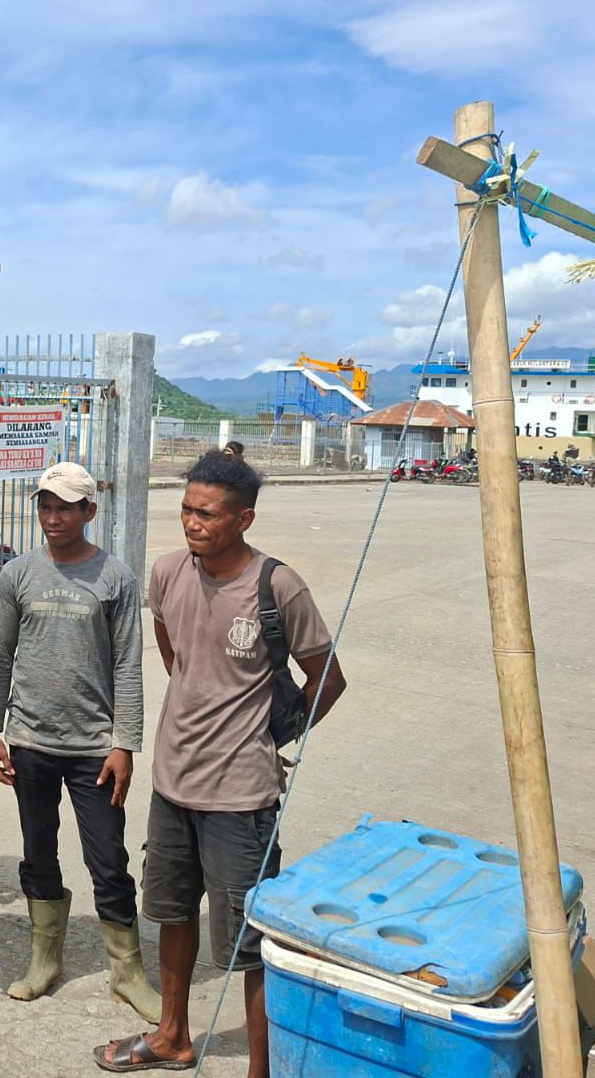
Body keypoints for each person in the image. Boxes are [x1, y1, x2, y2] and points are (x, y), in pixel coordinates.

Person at [95, 450, 346, 1077]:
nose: (192, 522)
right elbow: (175, 653)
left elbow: (328, 679)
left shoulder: (278, 587)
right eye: (187, 509)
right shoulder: (166, 573)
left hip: (241, 798)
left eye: (207, 513)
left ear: (244, 519)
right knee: (172, 915)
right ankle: (172, 1037)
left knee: (251, 944)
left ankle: (262, 1070)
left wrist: (275, 735)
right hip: (172, 783)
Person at [0, 462, 160, 1023]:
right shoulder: (18, 574)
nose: (53, 518)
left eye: (64, 508)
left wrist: (124, 744)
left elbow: (128, 664)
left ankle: (128, 973)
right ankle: (44, 959)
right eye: (45, 506)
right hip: (30, 740)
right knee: (38, 851)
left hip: (94, 748)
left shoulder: (116, 578)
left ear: (89, 512)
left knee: (108, 858)